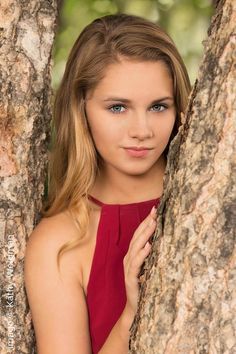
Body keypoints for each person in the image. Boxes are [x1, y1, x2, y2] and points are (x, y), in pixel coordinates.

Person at [24, 13, 191, 354]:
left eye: (159, 106)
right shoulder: (58, 243)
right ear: (80, 108)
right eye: (118, 108)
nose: (142, 130)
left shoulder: (210, 197)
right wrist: (132, 314)